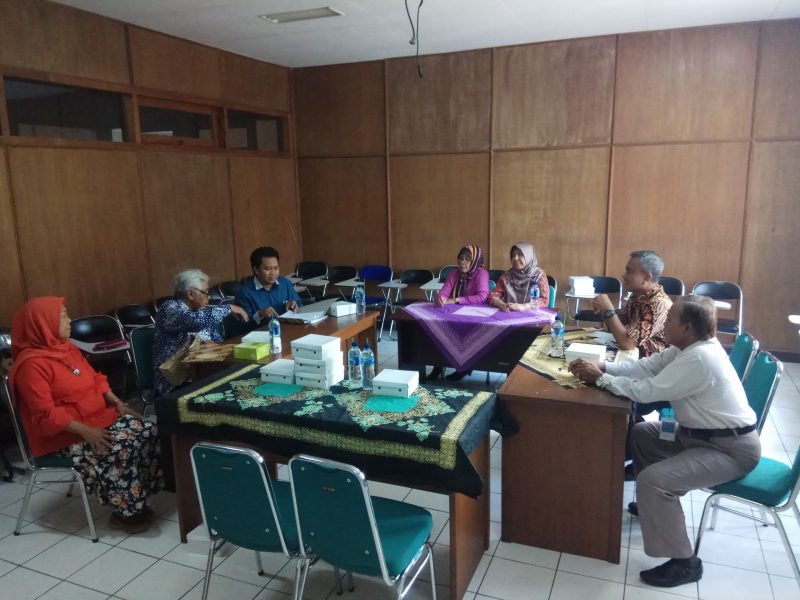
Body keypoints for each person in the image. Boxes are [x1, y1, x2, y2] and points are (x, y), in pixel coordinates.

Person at [569, 296, 760, 588]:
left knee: (653, 481)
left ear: (688, 327)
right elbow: (645, 367)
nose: (665, 324)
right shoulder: (685, 349)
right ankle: (655, 507)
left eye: (670, 320)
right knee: (643, 433)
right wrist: (604, 368)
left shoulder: (699, 359)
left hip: (730, 449)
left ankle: (686, 563)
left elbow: (646, 391)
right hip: (698, 435)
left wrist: (601, 380)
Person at [9, 297, 164, 534]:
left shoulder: (66, 348)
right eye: (62, 316)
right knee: (119, 448)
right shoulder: (31, 367)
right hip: (63, 438)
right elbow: (46, 414)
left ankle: (140, 496)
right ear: (43, 324)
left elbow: (95, 379)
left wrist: (118, 404)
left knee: (148, 430)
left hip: (97, 420)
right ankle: (127, 513)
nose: (69, 320)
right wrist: (87, 432)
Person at [153, 269, 248, 396]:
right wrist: (229, 308)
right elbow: (196, 322)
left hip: (203, 370)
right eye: (206, 292)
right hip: (176, 380)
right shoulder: (170, 308)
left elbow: (217, 341)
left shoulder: (201, 311)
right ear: (190, 294)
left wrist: (213, 345)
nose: (209, 296)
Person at [591, 250, 672, 358]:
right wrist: (602, 309)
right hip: (633, 356)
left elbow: (628, 343)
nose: (623, 276)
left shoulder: (658, 304)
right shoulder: (638, 296)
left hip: (650, 362)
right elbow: (618, 324)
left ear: (646, 278)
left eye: (629, 272)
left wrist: (608, 311)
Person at [429, 245, 490, 381]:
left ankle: (464, 368)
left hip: (475, 313)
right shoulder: (454, 274)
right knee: (440, 330)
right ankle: (438, 366)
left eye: (467, 259)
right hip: (455, 312)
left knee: (467, 334)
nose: (462, 262)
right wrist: (440, 298)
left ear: (475, 261)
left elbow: (481, 297)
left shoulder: (482, 274)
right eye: (460, 259)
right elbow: (444, 291)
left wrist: (456, 299)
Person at [234, 247, 302, 325]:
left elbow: (300, 304)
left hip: (288, 327)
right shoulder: (244, 293)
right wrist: (259, 314)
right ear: (256, 270)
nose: (273, 273)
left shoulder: (285, 283)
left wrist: (295, 304)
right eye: (268, 269)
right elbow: (243, 325)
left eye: (276, 268)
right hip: (263, 331)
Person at [488, 243, 550, 311]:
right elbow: (493, 296)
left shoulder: (538, 276)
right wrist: (501, 304)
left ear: (528, 256)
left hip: (532, 314)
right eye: (513, 255)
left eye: (520, 254)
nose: (515, 258)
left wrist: (525, 306)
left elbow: (544, 300)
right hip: (508, 313)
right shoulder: (507, 276)